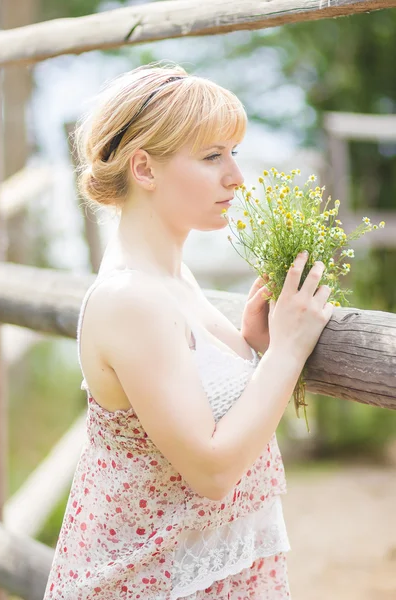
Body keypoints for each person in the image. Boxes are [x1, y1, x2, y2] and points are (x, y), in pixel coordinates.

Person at [43, 60, 333, 600]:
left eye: (234, 153)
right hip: (152, 584)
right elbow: (212, 470)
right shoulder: (130, 299)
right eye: (211, 156)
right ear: (145, 169)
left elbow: (198, 395)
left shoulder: (174, 278)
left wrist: (255, 348)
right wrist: (286, 353)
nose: (236, 177)